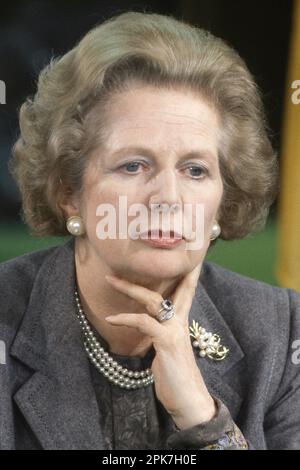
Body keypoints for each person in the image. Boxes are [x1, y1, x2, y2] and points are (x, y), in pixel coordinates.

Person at [1, 11, 299, 450]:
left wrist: (203, 420)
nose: (168, 198)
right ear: (68, 192)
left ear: (223, 199)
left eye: (195, 170)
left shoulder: (282, 332)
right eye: (134, 165)